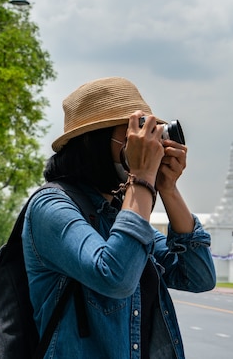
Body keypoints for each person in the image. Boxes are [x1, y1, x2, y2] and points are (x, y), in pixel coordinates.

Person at [22, 76, 216, 358]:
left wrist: (168, 188)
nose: (150, 147)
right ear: (94, 142)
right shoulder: (50, 206)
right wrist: (142, 178)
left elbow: (198, 276)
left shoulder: (116, 215)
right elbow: (115, 277)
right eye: (134, 137)